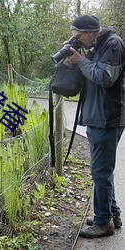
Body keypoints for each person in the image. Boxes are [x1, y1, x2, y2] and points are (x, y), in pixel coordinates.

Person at [67, 15, 125, 238]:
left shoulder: (113, 44)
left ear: (91, 32)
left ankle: (103, 223)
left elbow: (104, 77)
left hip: (107, 118)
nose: (78, 41)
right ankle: (112, 214)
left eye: (79, 37)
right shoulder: (96, 46)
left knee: (100, 171)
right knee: (102, 171)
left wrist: (80, 61)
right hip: (97, 117)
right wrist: (77, 60)